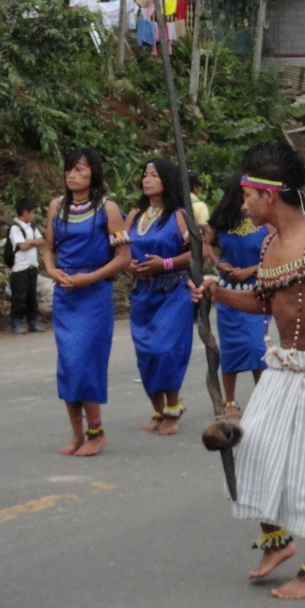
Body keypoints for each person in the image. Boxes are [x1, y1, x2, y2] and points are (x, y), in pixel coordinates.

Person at [191, 141, 305, 600]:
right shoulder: (268, 243)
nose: (241, 203)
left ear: (269, 195)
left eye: (246, 194)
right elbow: (264, 302)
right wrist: (217, 293)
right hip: (282, 367)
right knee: (248, 450)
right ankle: (276, 542)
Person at [44, 148, 130, 457]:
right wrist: (53, 271)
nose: (72, 175)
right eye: (69, 169)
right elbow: (49, 249)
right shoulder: (57, 206)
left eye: (80, 170)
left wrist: (90, 278)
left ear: (94, 173)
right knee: (68, 364)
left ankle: (97, 431)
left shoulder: (108, 209)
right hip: (65, 294)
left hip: (94, 295)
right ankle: (77, 434)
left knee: (85, 363)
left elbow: (124, 258)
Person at [124, 158, 195, 435]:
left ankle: (173, 409)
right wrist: (128, 264)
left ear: (167, 180)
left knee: (165, 349)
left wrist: (164, 264)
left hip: (173, 290)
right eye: (144, 175)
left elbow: (196, 254)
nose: (147, 179)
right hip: (142, 293)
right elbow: (119, 251)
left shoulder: (179, 215)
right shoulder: (134, 215)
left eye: (154, 175)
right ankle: (156, 409)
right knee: (146, 352)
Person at [208, 173, 270, 418]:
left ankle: (263, 400)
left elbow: (278, 249)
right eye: (243, 195)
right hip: (228, 290)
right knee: (231, 348)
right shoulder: (223, 218)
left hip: (258, 291)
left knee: (256, 346)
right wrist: (219, 263)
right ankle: (230, 402)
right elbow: (206, 244)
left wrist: (251, 270)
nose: (247, 200)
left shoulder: (266, 219)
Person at [8, 198, 46, 334]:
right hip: (20, 267)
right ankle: (16, 322)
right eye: (33, 212)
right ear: (25, 212)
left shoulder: (32, 226)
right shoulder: (15, 227)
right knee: (19, 297)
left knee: (31, 296)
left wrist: (30, 242)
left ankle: (32, 321)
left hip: (32, 266)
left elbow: (42, 241)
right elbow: (22, 246)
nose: (34, 215)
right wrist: (32, 242)